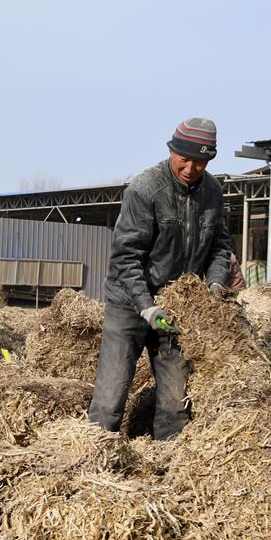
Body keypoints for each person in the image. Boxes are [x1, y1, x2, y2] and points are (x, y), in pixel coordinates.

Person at [88, 118, 232, 440]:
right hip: (129, 303)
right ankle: (94, 459)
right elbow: (126, 257)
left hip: (176, 309)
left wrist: (215, 286)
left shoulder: (213, 193)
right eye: (185, 159)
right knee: (110, 400)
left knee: (175, 405)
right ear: (171, 151)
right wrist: (147, 307)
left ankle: (167, 470)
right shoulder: (145, 190)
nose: (191, 168)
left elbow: (220, 247)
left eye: (200, 161)